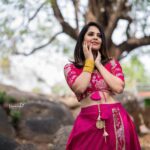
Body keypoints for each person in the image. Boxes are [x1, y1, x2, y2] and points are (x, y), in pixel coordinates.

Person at [64, 22, 141, 150]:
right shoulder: (70, 68)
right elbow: (80, 87)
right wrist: (89, 62)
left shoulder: (111, 63)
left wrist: (99, 64)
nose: (95, 37)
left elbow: (119, 88)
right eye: (91, 34)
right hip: (88, 120)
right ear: (82, 39)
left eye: (99, 36)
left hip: (115, 118)